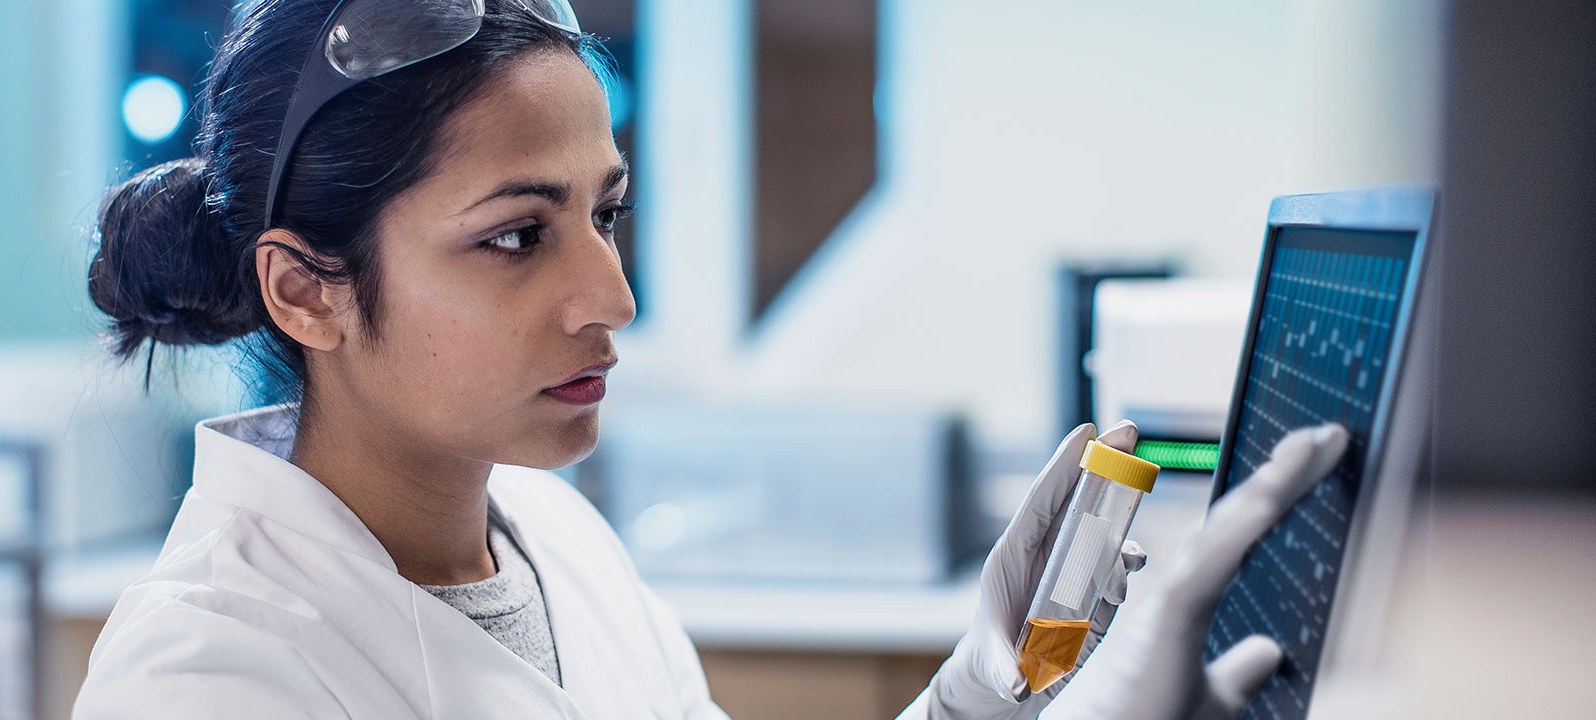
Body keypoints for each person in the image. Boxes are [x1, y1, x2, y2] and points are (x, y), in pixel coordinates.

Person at [73, 1, 1350, 718]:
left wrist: (981, 698)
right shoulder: (209, 677)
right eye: (517, 236)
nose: (609, 296)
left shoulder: (554, 541)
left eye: (605, 213)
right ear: (306, 291)